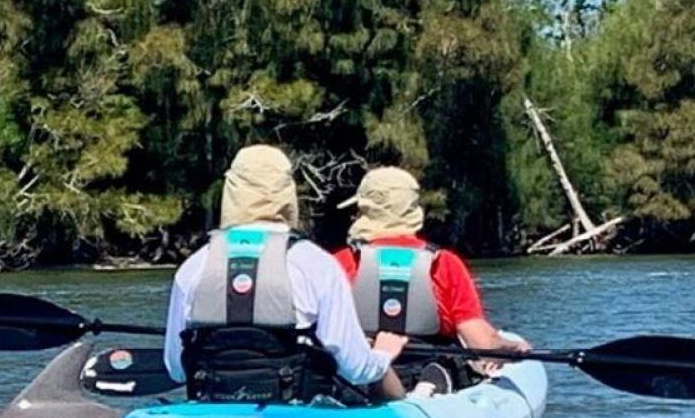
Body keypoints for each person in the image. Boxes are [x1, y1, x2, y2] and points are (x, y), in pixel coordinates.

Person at [163, 145, 408, 403]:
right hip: (298, 416)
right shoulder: (316, 265)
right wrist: (381, 356)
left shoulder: (193, 267)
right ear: (286, 194)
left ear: (231, 192)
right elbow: (356, 369)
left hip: (212, 411)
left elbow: (176, 369)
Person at [333, 166, 531, 390]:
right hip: (426, 365)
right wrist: (515, 349)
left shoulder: (340, 262)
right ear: (412, 210)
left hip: (362, 370)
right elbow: (483, 344)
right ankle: (431, 385)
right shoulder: (444, 263)